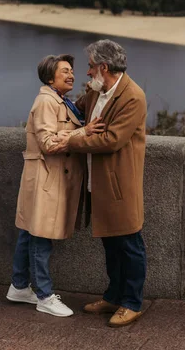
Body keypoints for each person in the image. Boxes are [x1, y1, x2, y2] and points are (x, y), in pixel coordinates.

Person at [52, 40, 147, 327]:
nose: (87, 72)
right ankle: (113, 296)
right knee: (110, 244)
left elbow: (111, 140)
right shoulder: (96, 92)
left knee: (129, 244)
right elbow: (74, 113)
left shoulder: (133, 97)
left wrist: (72, 139)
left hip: (119, 185)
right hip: (97, 183)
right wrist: (52, 95)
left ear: (104, 67)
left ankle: (131, 303)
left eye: (91, 66)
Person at [6, 54, 105, 317]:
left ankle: (18, 286)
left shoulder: (60, 100)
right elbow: (49, 144)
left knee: (30, 232)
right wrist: (83, 132)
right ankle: (44, 295)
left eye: (72, 70)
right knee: (41, 236)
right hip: (46, 178)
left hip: (46, 178)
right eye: (64, 71)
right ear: (50, 78)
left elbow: (75, 116)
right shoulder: (46, 102)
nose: (71, 74)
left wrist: (92, 90)